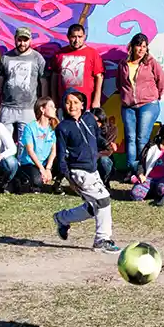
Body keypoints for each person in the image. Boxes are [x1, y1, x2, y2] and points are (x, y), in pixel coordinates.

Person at [52, 90, 118, 251]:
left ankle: (62, 218)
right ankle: (102, 240)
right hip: (78, 172)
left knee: (93, 207)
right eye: (68, 102)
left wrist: (107, 145)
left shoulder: (89, 118)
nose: (72, 106)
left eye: (76, 102)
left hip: (92, 169)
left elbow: (96, 137)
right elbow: (61, 157)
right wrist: (68, 178)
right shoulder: (63, 128)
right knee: (103, 200)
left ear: (83, 104)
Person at [118, 32, 164, 179]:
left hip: (148, 104)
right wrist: (125, 96)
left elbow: (162, 80)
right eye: (139, 45)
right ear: (132, 46)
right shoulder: (123, 64)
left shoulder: (150, 62)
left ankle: (142, 169)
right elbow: (119, 83)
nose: (141, 49)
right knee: (130, 137)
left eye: (144, 46)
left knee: (142, 138)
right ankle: (131, 170)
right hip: (128, 106)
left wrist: (155, 96)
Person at [0, 27, 46, 149]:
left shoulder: (37, 58)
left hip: (29, 108)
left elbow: (44, 82)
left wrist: (42, 105)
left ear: (30, 40)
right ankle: (6, 167)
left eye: (25, 40)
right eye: (19, 40)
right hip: (7, 107)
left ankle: (23, 167)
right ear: (15, 39)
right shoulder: (6, 58)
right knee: (4, 143)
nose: (22, 43)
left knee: (26, 144)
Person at [51, 23, 105, 110]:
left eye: (79, 37)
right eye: (73, 37)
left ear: (84, 37)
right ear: (68, 37)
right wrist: (54, 99)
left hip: (85, 104)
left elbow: (99, 77)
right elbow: (54, 77)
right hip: (65, 104)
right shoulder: (60, 54)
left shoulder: (92, 53)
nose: (76, 40)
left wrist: (97, 99)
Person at [12, 97, 58, 194]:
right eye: (51, 106)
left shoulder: (53, 128)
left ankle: (56, 184)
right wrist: (42, 169)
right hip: (31, 163)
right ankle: (23, 178)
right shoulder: (30, 127)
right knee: (37, 181)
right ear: (42, 109)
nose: (55, 109)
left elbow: (53, 151)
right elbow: (30, 151)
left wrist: (48, 168)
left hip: (46, 163)